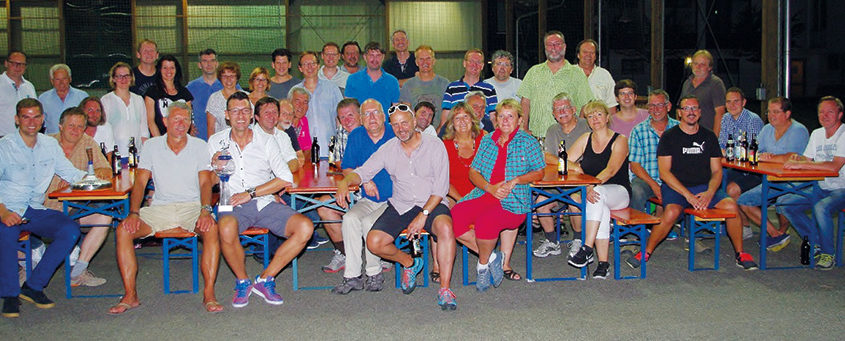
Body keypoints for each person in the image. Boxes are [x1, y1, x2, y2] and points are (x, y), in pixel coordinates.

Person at [335, 105, 458, 311]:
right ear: (391, 126)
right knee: (374, 242)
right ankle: (409, 263)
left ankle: (445, 289)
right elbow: (363, 172)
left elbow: (440, 188)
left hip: (431, 202)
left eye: (405, 122)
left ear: (413, 122)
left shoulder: (434, 145)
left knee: (445, 228)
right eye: (396, 125)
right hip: (401, 204)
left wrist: (423, 215)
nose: (401, 128)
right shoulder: (389, 148)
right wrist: (344, 182)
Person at [109, 101, 221, 314]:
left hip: (191, 207)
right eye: (176, 119)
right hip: (160, 208)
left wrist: (205, 210)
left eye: (186, 120)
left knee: (211, 229)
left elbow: (206, 182)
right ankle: (130, 295)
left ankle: (209, 293)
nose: (181, 124)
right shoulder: (151, 146)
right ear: (165, 121)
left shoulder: (199, 146)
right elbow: (140, 183)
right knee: (124, 229)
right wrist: (133, 213)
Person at [626, 95, 758, 271]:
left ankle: (740, 254)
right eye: (687, 109)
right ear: (679, 113)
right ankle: (646, 252)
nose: (691, 112)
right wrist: (688, 195)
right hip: (676, 187)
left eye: (694, 108)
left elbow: (717, 171)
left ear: (700, 112)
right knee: (671, 212)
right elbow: (664, 173)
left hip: (704, 187)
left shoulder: (709, 136)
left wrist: (710, 192)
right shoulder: (669, 137)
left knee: (732, 207)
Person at [210, 91, 313, 307]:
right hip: (232, 205)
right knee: (226, 228)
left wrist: (252, 193)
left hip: (264, 201)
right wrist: (214, 167)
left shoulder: (267, 140)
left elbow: (284, 177)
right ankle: (242, 281)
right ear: (227, 115)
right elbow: (207, 181)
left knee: (305, 228)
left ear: (251, 115)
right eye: (235, 111)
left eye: (245, 111)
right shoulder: (215, 141)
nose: (240, 116)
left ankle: (265, 279)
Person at [0, 98, 86, 318]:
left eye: (36, 116)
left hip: (32, 208)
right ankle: (9, 294)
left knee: (70, 230)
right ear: (17, 119)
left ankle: (34, 286)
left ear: (42, 119)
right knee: (6, 233)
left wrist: (97, 181)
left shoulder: (49, 145)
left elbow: (70, 173)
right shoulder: (4, 146)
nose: (31, 121)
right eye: (26, 116)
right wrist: (3, 212)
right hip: (6, 207)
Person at [452, 99, 544, 291]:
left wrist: (515, 181)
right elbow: (473, 172)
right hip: (485, 194)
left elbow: (539, 172)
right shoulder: (487, 140)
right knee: (454, 216)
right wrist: (489, 188)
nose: (505, 120)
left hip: (514, 199)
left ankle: (482, 266)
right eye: (501, 116)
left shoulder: (528, 142)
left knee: (487, 221)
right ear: (496, 119)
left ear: (519, 120)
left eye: (510, 116)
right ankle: (493, 258)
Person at [330, 99, 396, 294]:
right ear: (360, 119)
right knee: (349, 218)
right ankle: (352, 276)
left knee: (368, 222)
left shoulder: (395, 134)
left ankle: (374, 273)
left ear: (384, 117)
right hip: (368, 198)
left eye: (375, 113)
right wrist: (363, 179)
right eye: (366, 114)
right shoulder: (357, 135)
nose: (371, 118)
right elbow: (347, 167)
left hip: (393, 200)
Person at [43, 107, 112, 287]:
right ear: (60, 126)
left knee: (105, 217)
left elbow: (105, 170)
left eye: (80, 126)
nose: (76, 130)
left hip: (73, 206)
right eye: (71, 126)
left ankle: (79, 270)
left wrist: (79, 180)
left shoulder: (88, 142)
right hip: (42, 208)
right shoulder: (45, 144)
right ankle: (27, 264)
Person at [775, 96, 845, 270]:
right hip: (820, 186)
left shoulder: (843, 135)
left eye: (830, 111)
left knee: (821, 207)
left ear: (840, 114)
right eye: (821, 112)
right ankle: (816, 242)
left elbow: (834, 166)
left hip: (841, 188)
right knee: (784, 203)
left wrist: (805, 163)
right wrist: (796, 159)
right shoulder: (817, 134)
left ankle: (829, 253)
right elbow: (805, 159)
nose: (825, 115)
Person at [564, 101, 631, 279]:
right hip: (595, 192)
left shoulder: (620, 139)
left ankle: (586, 248)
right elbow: (564, 161)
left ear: (607, 117)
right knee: (600, 208)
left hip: (619, 191)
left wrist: (590, 185)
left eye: (599, 114)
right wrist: (577, 169)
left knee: (597, 195)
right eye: (591, 116)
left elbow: (610, 170)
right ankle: (603, 264)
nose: (595, 119)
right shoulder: (585, 138)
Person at [738, 97, 808, 251]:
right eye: (769, 111)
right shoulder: (767, 129)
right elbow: (753, 152)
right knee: (743, 201)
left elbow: (792, 157)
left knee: (783, 201)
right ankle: (776, 234)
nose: (771, 115)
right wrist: (761, 156)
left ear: (787, 113)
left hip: (794, 181)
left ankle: (785, 232)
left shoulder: (798, 130)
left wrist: (770, 157)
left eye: (776, 112)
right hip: (771, 179)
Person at [533, 92, 592, 259]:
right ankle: (552, 241)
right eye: (557, 110)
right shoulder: (552, 130)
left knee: (575, 202)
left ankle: (578, 241)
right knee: (540, 202)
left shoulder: (586, 126)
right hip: (557, 183)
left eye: (565, 108)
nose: (562, 112)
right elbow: (547, 157)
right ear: (553, 114)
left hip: (581, 184)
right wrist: (572, 165)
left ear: (574, 109)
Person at [316, 98, 365, 273]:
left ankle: (381, 253)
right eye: (342, 117)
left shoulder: (374, 131)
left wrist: (353, 171)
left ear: (360, 115)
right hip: (351, 189)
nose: (347, 120)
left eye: (350, 115)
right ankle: (344, 253)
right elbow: (338, 162)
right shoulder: (341, 133)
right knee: (323, 206)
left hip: (374, 194)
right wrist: (353, 173)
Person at [719, 87, 764, 240]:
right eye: (728, 102)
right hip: (735, 167)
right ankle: (722, 223)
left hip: (754, 170)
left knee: (731, 189)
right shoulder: (725, 118)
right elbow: (721, 146)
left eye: (736, 101)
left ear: (744, 102)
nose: (732, 105)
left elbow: (751, 151)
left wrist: (730, 152)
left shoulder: (753, 120)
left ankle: (743, 226)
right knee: (713, 180)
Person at [627, 89, 679, 212]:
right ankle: (637, 229)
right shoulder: (638, 131)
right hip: (646, 180)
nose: (656, 110)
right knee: (636, 191)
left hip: (674, 180)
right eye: (651, 106)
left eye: (660, 105)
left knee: (689, 189)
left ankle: (684, 228)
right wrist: (654, 185)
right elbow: (635, 165)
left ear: (668, 106)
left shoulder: (679, 129)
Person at [294, 51, 344, 158]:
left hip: (330, 146)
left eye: (313, 63)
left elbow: (340, 117)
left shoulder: (332, 88)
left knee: (332, 174)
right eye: (305, 64)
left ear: (318, 66)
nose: (310, 67)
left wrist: (341, 143)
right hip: (304, 151)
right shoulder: (295, 91)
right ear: (300, 68)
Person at [439, 49, 498, 130]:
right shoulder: (452, 88)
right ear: (464, 63)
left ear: (482, 66)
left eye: (478, 62)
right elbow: (445, 118)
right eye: (471, 61)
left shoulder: (489, 89)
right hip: (456, 134)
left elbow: (493, 118)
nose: (475, 65)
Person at [101, 62, 150, 157]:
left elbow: (144, 129)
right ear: (114, 79)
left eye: (127, 76)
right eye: (119, 76)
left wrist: (145, 154)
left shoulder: (138, 99)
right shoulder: (106, 100)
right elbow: (103, 129)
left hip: (137, 154)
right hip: (115, 155)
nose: (123, 79)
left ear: (131, 78)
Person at [399, 45, 450, 128]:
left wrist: (438, 133)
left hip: (440, 135)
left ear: (434, 61)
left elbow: (448, 114)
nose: (425, 62)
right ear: (416, 62)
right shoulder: (408, 85)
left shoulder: (445, 84)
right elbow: (407, 114)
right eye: (421, 59)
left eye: (428, 58)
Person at [144, 55, 193, 137]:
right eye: (165, 68)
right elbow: (150, 121)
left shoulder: (184, 92)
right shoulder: (152, 92)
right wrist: (160, 141)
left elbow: (188, 118)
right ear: (159, 70)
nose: (168, 71)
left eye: (172, 68)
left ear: (176, 70)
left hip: (181, 140)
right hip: (160, 140)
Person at [345, 42, 400, 113]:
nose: (375, 59)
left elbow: (395, 109)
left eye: (378, 55)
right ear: (365, 57)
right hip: (361, 123)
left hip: (384, 124)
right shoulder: (352, 79)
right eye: (371, 55)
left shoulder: (392, 81)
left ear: (383, 57)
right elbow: (348, 108)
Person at [680, 49, 726, 133]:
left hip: (707, 134)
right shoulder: (687, 83)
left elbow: (720, 113)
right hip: (688, 134)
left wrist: (714, 138)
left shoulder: (716, 84)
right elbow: (680, 110)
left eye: (702, 64)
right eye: (695, 63)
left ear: (710, 67)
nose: (698, 67)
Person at [253, 96, 300, 173]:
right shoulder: (250, 137)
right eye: (266, 113)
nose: (271, 116)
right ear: (257, 117)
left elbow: (293, 161)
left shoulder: (283, 136)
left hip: (280, 180)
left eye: (274, 112)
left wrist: (281, 174)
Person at [39, 64, 88, 134]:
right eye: (57, 79)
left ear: (70, 79)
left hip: (77, 140)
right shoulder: (43, 99)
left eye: (64, 78)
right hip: (52, 141)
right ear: (52, 81)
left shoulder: (82, 96)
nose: (61, 82)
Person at [186, 49, 221, 140]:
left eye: (212, 61)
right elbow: (183, 110)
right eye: (205, 61)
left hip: (223, 137)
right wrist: (188, 126)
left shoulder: (229, 84)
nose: (209, 64)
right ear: (199, 65)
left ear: (217, 64)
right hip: (198, 138)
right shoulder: (190, 87)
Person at [0, 51, 36, 137]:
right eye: (14, 63)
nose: (18, 67)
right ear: (6, 63)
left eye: (22, 64)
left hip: (26, 138)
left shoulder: (29, 86)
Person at [576, 40, 617, 114]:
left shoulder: (604, 75)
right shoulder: (569, 73)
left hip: (599, 123)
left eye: (592, 53)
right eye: (585, 52)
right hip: (575, 123)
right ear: (578, 55)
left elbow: (611, 105)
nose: (588, 55)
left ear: (595, 56)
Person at [206, 61, 245, 136]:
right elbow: (210, 128)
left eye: (232, 76)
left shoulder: (246, 97)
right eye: (224, 76)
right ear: (220, 78)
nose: (228, 79)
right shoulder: (214, 98)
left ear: (237, 78)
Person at [276, 98, 305, 166]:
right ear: (276, 114)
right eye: (284, 114)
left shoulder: (290, 130)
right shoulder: (269, 131)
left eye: (291, 114)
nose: (288, 118)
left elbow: (300, 156)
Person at [289, 87, 313, 156]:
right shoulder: (282, 123)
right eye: (297, 101)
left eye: (305, 102)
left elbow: (308, 149)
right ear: (289, 102)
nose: (301, 106)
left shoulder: (304, 121)